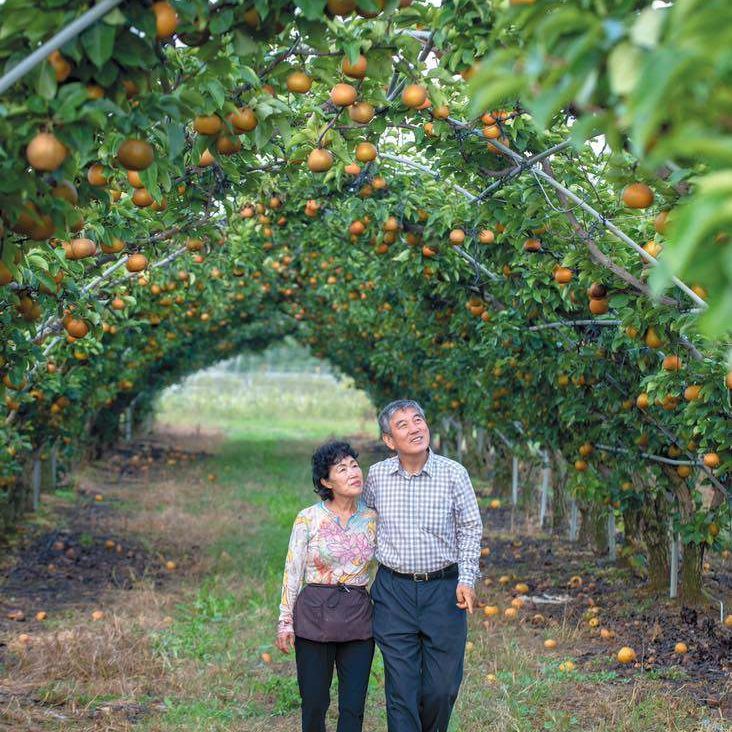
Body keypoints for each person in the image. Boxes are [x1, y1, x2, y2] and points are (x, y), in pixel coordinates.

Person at [363, 399, 483, 732]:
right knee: (401, 691)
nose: (415, 428)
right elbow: (364, 525)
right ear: (389, 440)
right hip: (393, 592)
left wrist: (467, 578)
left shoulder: (453, 474)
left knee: (441, 689)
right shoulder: (377, 477)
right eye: (403, 425)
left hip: (443, 591)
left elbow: (470, 528)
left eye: (418, 420)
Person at [276, 440, 377, 732]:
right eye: (342, 469)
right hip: (314, 616)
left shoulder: (372, 518)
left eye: (355, 466)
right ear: (325, 481)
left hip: (357, 618)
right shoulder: (309, 518)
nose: (353, 473)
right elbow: (292, 571)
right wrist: (285, 621)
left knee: (353, 706)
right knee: (315, 703)